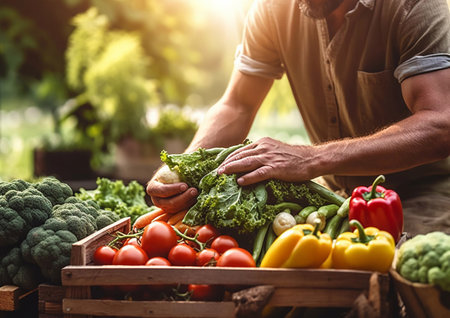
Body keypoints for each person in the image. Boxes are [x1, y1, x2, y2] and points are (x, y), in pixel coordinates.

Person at [147, 0, 450, 236]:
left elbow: (440, 125)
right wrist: (181, 169)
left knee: (396, 289)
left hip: (424, 193)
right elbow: (237, 105)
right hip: (336, 198)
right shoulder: (272, 8)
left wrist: (311, 158)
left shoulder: (414, 6)